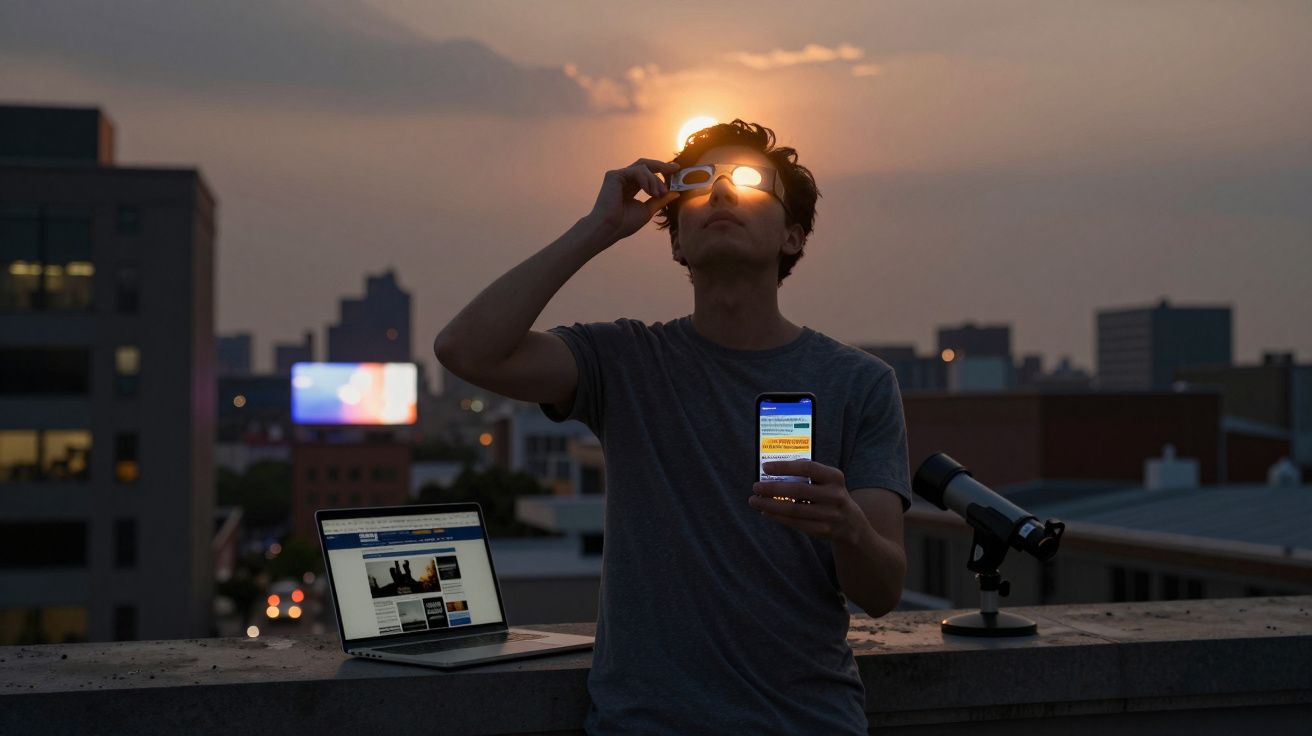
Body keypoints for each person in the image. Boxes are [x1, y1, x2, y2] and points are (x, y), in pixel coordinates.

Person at [435, 119, 910, 734]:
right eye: (696, 183)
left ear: (792, 237)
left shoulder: (860, 382)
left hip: (807, 720)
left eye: (749, 181)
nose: (719, 193)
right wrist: (597, 228)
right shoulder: (625, 361)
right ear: (678, 244)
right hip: (646, 723)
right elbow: (466, 350)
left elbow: (883, 590)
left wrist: (848, 527)